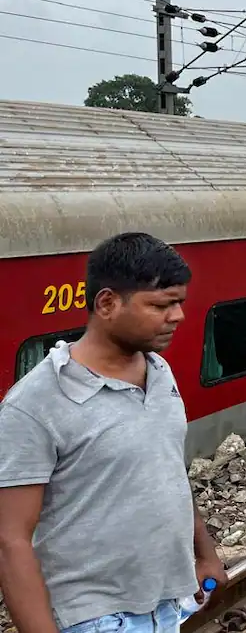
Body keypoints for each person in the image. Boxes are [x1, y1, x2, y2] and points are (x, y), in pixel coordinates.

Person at [0, 232, 227, 633]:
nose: (178, 316)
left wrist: (205, 554)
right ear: (107, 303)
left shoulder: (159, 373)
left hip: (166, 604)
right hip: (95, 620)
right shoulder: (35, 403)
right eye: (162, 305)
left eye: (180, 303)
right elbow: (11, 540)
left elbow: (167, 470)